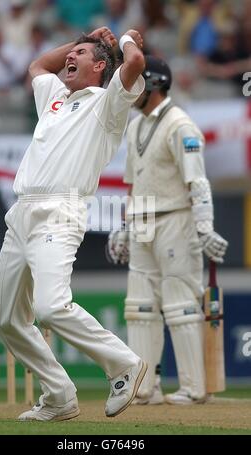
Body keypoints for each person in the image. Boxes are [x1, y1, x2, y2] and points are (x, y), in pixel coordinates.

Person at [0, 26, 147, 421]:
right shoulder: (56, 98)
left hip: (60, 212)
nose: (68, 59)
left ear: (99, 66)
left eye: (79, 54)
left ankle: (124, 364)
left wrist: (125, 37)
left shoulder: (107, 103)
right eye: (69, 53)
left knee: (50, 305)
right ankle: (60, 396)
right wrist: (82, 39)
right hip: (21, 212)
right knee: (7, 320)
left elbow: (134, 63)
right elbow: (38, 64)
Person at [107, 55, 228, 405]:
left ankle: (194, 388)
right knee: (140, 307)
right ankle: (145, 387)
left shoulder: (180, 125)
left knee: (180, 307)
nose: (131, 92)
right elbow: (134, 184)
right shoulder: (135, 126)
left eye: (137, 85)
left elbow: (197, 181)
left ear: (155, 84)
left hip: (177, 219)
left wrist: (204, 228)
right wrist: (126, 228)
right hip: (144, 221)